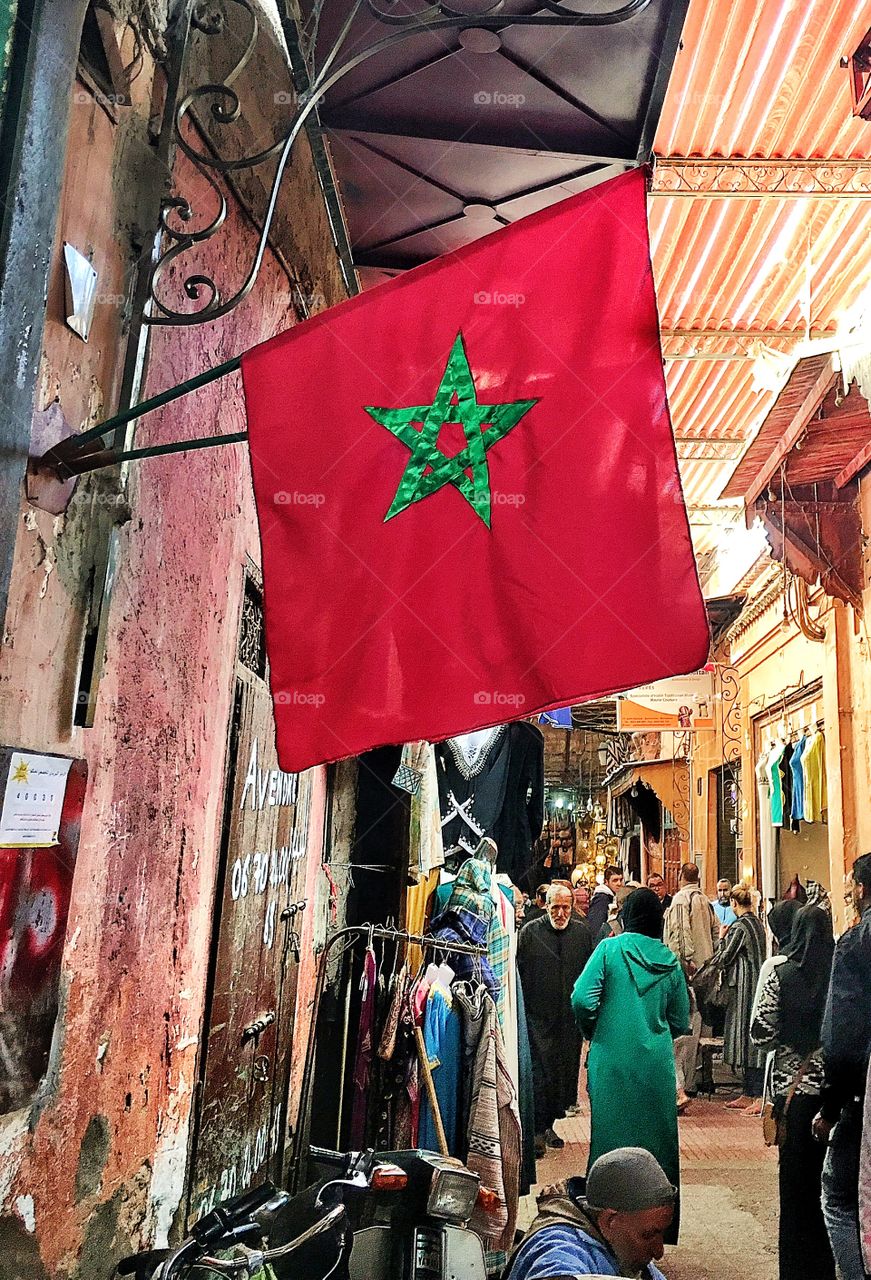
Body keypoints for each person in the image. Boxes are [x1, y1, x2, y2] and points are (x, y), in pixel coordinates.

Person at [572, 888, 690, 1244]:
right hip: (654, 1066)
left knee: (609, 1141)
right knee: (657, 1146)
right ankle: (655, 1231)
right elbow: (681, 1019)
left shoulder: (609, 949)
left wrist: (594, 1029)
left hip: (610, 1061)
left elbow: (581, 997)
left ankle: (607, 1228)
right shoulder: (669, 960)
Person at [751, 905, 836, 1279]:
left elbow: (761, 1034)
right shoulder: (842, 972)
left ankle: (797, 1269)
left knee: (796, 1189)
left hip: (794, 1096)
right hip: (838, 1097)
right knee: (835, 1191)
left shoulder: (781, 975)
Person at [813, 852, 871, 1280]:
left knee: (840, 1195)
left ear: (862, 890)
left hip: (863, 1098)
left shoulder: (855, 943)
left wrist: (831, 1110)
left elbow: (843, 1040)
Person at [506, 1147, 675, 1279]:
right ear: (610, 1221)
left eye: (661, 1233)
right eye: (648, 1235)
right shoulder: (557, 1250)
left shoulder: (622, 1246)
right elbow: (557, 1271)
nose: (658, 1252)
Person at [518, 883, 593, 1158]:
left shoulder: (582, 935)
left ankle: (548, 1125)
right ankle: (536, 1131)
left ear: (572, 908)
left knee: (561, 1076)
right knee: (539, 1074)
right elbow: (520, 973)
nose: (560, 914)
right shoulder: (530, 933)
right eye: (555, 908)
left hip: (569, 1022)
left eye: (565, 908)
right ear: (545, 907)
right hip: (537, 1018)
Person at [663, 862, 719, 1108]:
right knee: (699, 1028)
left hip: (688, 972)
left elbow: (679, 934)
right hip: (707, 970)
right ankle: (693, 1079)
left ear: (679, 876)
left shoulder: (679, 901)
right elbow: (717, 932)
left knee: (682, 1029)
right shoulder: (706, 901)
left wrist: (684, 962)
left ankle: (682, 1085)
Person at [719, 884, 767, 1113]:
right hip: (760, 983)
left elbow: (725, 956)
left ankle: (751, 1092)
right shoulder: (759, 924)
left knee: (745, 1037)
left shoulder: (740, 927)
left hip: (745, 988)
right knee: (754, 1038)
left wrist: (721, 938)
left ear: (734, 904)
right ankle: (751, 1090)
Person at [587, 865, 624, 937]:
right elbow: (596, 926)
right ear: (606, 881)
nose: (619, 884)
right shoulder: (602, 899)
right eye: (615, 880)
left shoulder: (610, 897)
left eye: (621, 880)